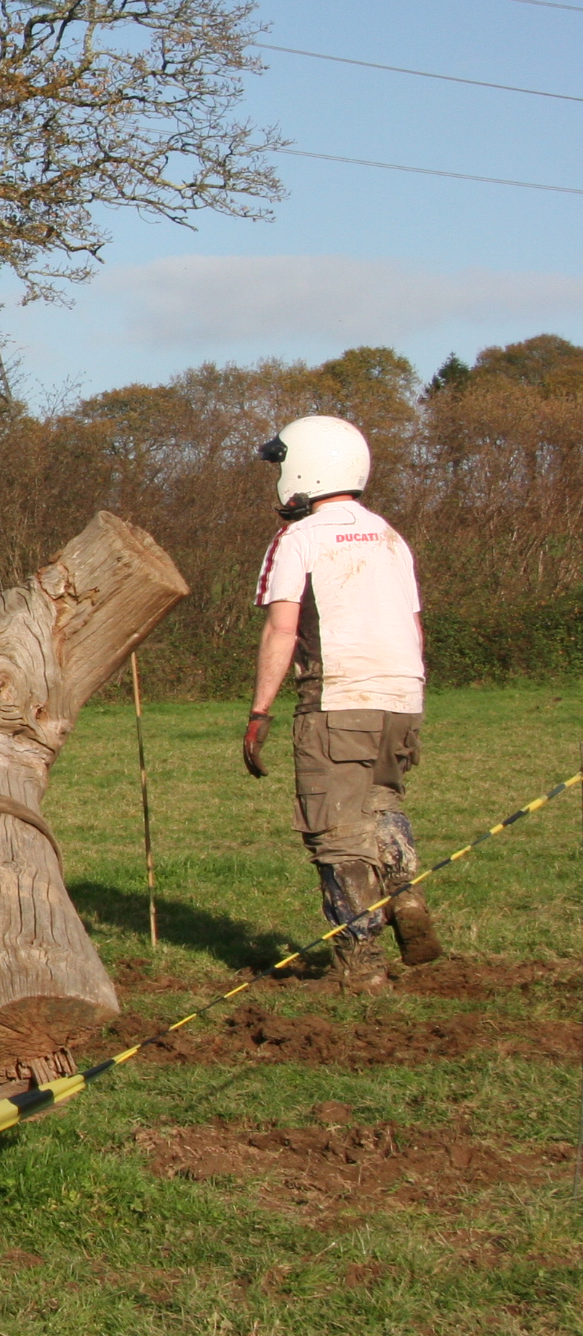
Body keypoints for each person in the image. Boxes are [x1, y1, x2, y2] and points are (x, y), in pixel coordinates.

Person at [242, 413, 442, 992]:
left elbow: (282, 629)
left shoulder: (299, 538)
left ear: (303, 468)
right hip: (403, 695)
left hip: (337, 697)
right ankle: (405, 894)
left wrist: (259, 712)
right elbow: (414, 626)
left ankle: (362, 964)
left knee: (334, 829)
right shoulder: (388, 535)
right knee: (380, 801)